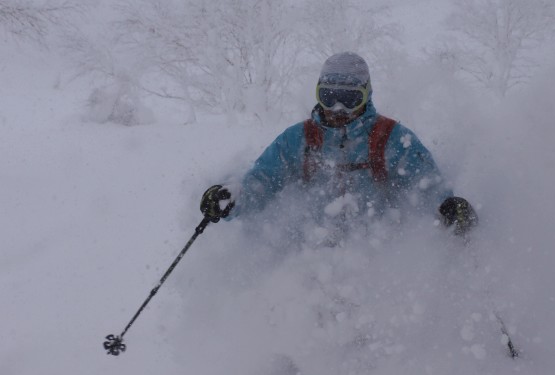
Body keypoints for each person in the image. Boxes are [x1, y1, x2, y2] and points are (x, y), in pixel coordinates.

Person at [200, 52, 477, 242]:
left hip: (379, 258)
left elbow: (425, 184)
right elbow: (262, 181)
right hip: (313, 259)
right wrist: (232, 199)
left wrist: (447, 206)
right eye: (329, 97)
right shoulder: (298, 139)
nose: (338, 108)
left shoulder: (391, 138)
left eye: (350, 98)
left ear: (366, 95)